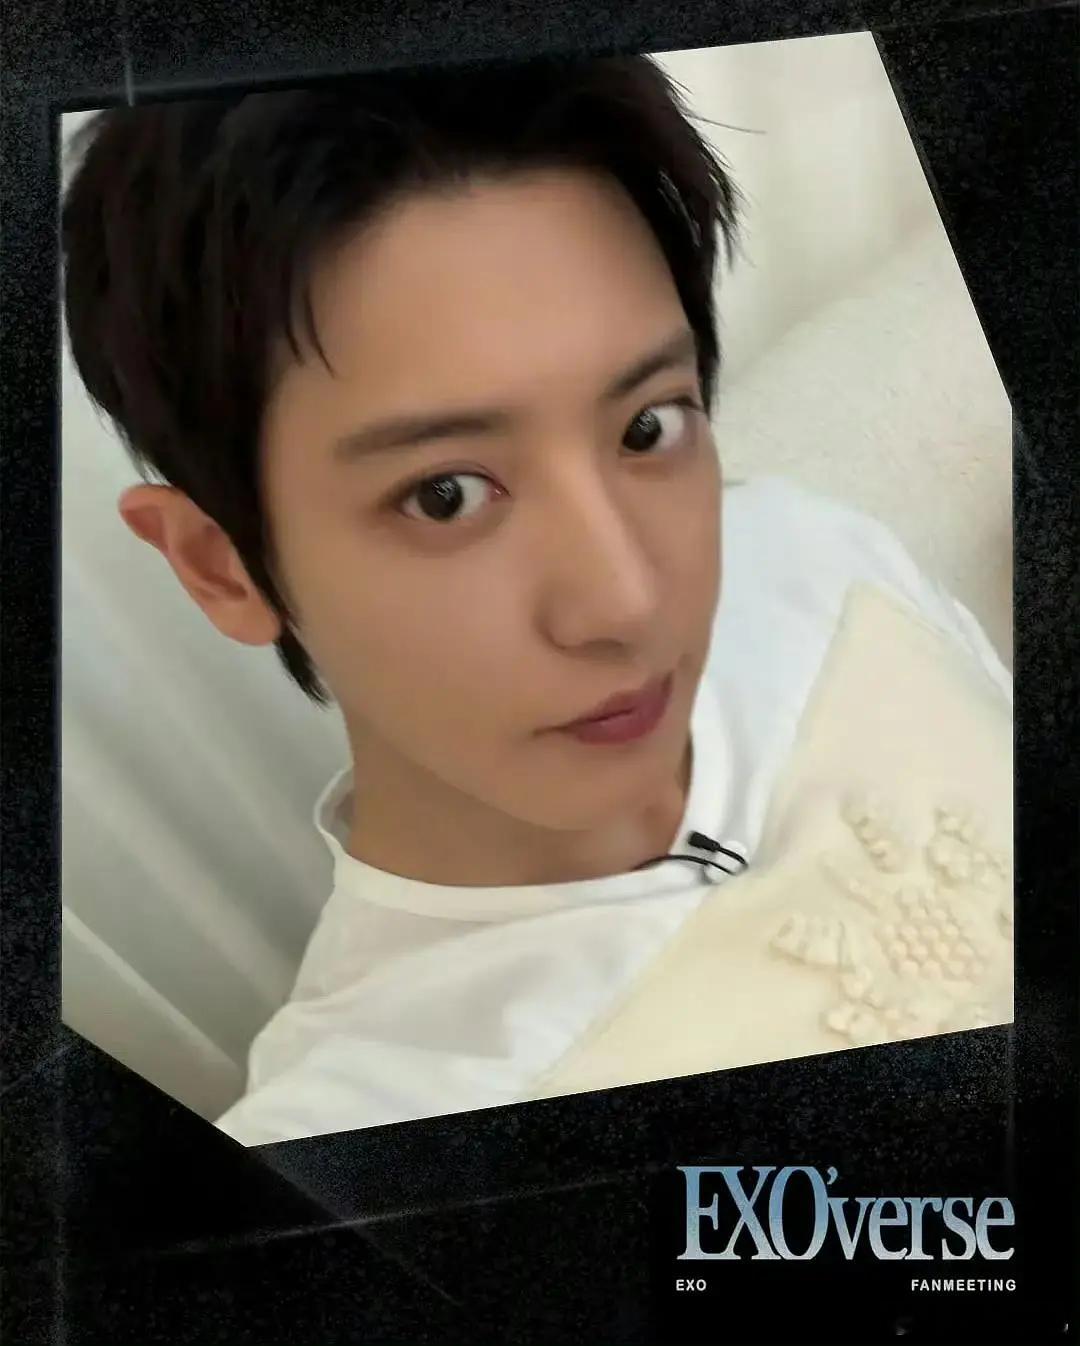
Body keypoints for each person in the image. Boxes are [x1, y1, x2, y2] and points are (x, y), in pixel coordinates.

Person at [61, 54, 1013, 1147]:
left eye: (647, 427)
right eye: (447, 495)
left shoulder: (807, 551)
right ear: (220, 564)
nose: (628, 600)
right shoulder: (361, 1133)